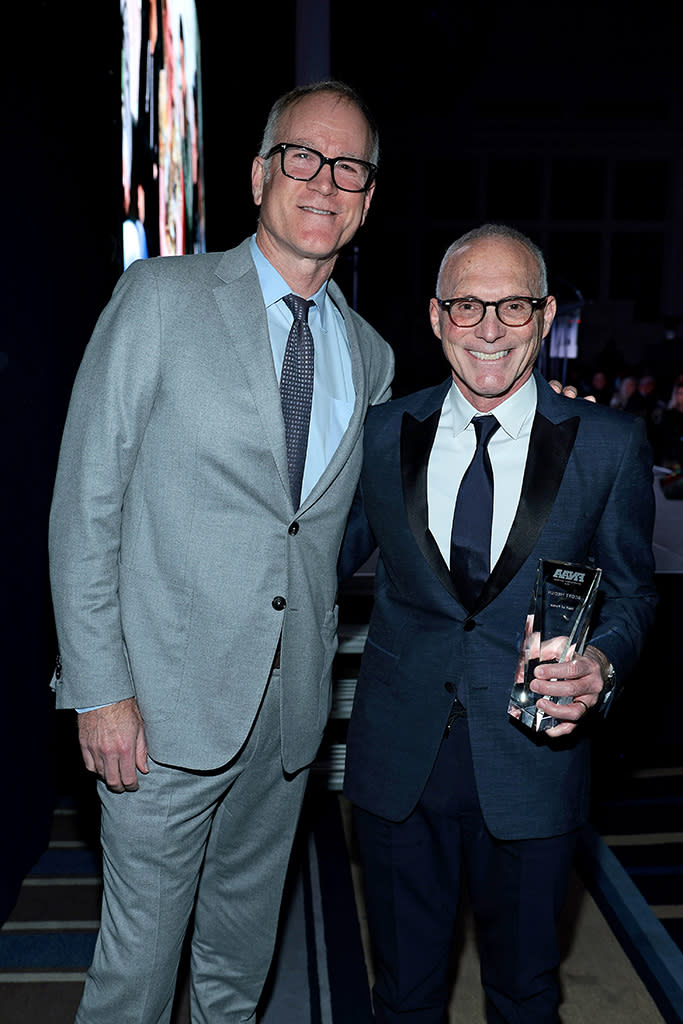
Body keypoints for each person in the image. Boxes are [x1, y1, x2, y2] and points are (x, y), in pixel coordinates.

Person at [48, 80, 394, 1024]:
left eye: (349, 166)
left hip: (287, 726)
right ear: (258, 174)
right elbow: (86, 504)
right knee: (135, 983)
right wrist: (99, 688)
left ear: (366, 198)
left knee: (238, 976)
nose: (324, 180)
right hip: (155, 717)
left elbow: (325, 533)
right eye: (302, 157)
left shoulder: (372, 357)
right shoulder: (159, 296)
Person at [340, 224, 656, 1023]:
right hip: (397, 762)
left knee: (523, 995)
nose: (488, 329)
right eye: (467, 306)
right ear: (436, 317)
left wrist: (603, 665)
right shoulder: (382, 435)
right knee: (402, 998)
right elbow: (306, 569)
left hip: (532, 764)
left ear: (545, 316)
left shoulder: (608, 446)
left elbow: (631, 593)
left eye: (511, 305)